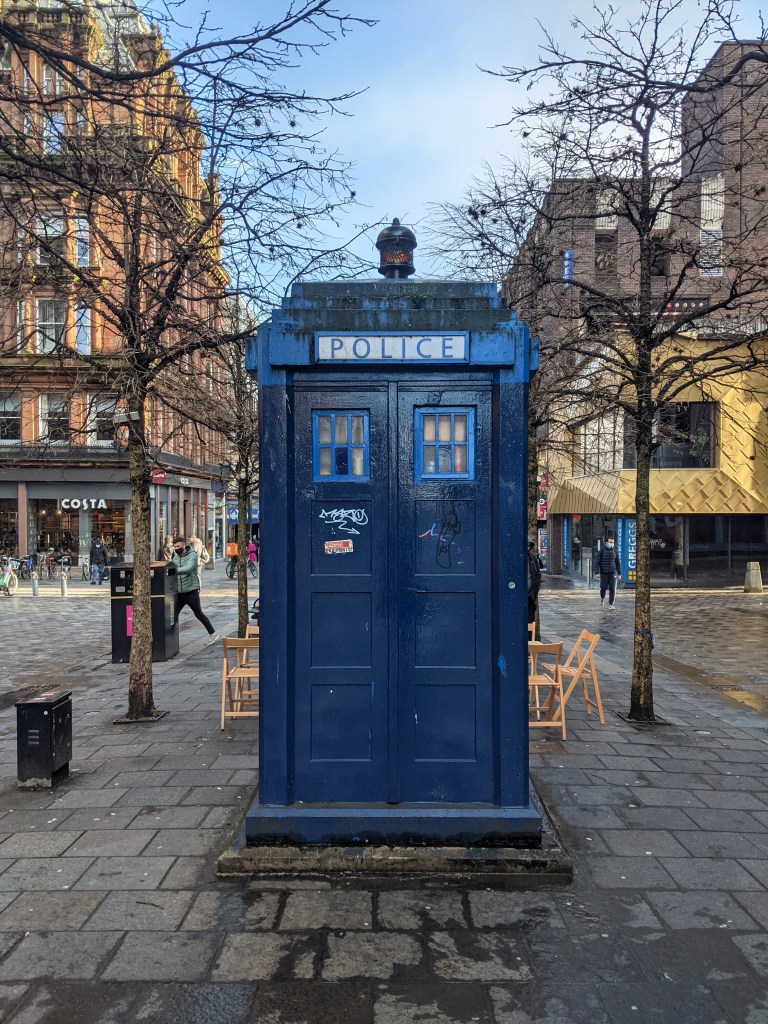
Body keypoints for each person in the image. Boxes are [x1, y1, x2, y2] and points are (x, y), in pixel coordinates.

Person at [172, 536, 218, 645]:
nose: (176, 548)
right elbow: (172, 567)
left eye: (178, 546)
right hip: (179, 591)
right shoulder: (175, 556)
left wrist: (174, 571)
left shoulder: (192, 555)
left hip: (191, 590)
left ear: (184, 545)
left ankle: (213, 634)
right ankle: (169, 640)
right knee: (173, 615)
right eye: (175, 547)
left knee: (198, 613)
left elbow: (188, 568)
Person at [595, 537, 621, 608]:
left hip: (612, 573)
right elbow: (597, 562)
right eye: (610, 542)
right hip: (604, 573)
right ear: (606, 543)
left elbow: (618, 563)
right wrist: (597, 572)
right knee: (603, 588)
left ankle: (611, 604)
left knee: (612, 588)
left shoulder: (615, 551)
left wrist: (619, 573)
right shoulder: (601, 551)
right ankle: (602, 598)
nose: (612, 544)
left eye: (613, 542)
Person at [527, 540, 542, 629]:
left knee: (529, 623)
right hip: (517, 597)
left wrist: (534, 592)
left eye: (529, 545)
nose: (527, 548)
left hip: (530, 597)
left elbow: (537, 575)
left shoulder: (532, 557)